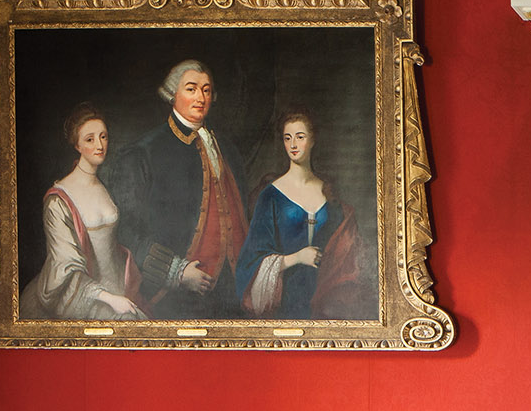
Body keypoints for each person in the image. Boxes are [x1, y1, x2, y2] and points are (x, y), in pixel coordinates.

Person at [103, 59, 248, 318]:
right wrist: (176, 271)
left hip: (229, 288)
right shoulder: (143, 153)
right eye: (191, 89)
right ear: (172, 95)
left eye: (206, 90)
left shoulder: (229, 150)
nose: (200, 97)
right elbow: (126, 231)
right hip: (172, 295)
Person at [236, 111, 377, 319]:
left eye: (300, 137)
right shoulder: (270, 196)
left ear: (312, 140)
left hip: (326, 297)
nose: (293, 145)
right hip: (286, 298)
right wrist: (297, 257)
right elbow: (252, 261)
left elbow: (348, 251)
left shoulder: (331, 195)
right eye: (287, 138)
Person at [17, 104, 146, 321]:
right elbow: (66, 266)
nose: (99, 145)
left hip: (119, 288)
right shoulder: (58, 200)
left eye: (103, 137)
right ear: (76, 145)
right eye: (90, 139)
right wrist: (110, 299)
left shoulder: (102, 185)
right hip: (83, 295)